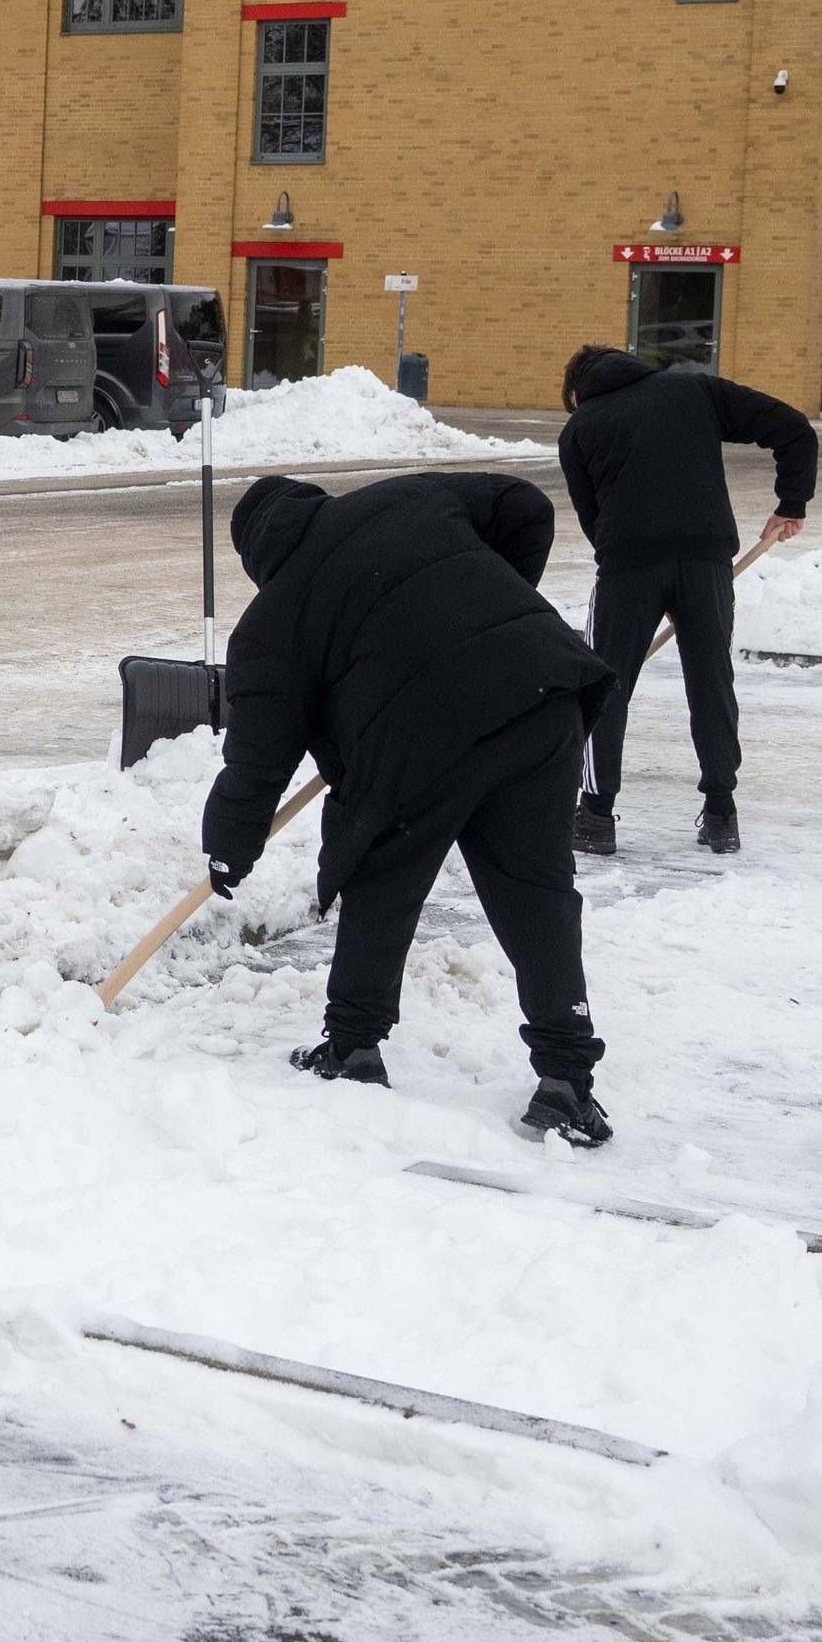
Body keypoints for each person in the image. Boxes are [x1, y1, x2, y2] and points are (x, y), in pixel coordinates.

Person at [203, 470, 619, 1143]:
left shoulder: (272, 620)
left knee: (378, 881)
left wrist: (229, 844)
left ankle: (354, 1048)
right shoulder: (409, 497)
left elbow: (256, 762)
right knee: (537, 892)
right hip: (541, 693)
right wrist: (488, 610)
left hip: (418, 740)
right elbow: (527, 507)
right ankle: (567, 1081)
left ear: (257, 559)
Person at [555, 346, 818, 858]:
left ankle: (595, 817)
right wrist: (791, 502)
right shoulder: (695, 390)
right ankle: (721, 814)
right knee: (711, 682)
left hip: (628, 565)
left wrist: (636, 562)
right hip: (706, 561)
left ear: (574, 392)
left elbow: (594, 520)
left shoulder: (580, 428)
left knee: (603, 686)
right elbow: (794, 428)